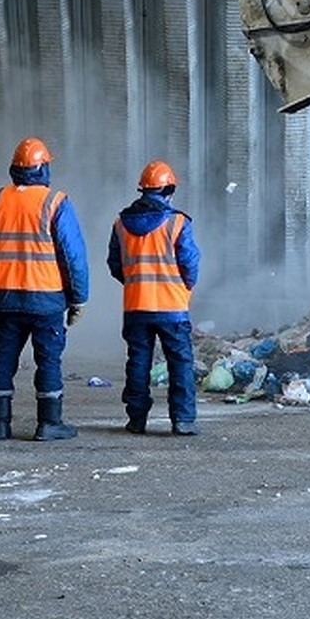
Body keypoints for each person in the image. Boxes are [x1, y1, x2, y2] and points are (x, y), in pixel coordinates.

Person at [0, 137, 89, 441]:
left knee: (3, 358)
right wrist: (78, 299)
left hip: (4, 298)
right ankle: (49, 424)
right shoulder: (55, 202)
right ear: (44, 168)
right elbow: (73, 256)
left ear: (14, 169)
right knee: (48, 359)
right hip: (46, 299)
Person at [107, 160, 200, 436]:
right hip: (172, 307)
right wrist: (185, 287)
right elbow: (190, 263)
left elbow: (115, 264)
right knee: (180, 363)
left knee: (138, 361)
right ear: (169, 189)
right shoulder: (178, 223)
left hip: (136, 306)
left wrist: (135, 284)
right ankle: (182, 420)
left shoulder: (121, 223)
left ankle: (136, 420)